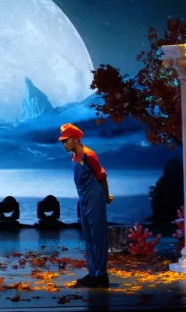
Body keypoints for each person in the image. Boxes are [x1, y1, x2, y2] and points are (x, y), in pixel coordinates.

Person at [59, 123, 113, 288]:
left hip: (94, 196)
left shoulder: (88, 155)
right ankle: (93, 272)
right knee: (88, 235)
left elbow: (101, 176)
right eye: (63, 141)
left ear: (76, 139)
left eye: (66, 140)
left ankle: (101, 275)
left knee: (97, 235)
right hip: (83, 198)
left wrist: (106, 196)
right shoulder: (74, 156)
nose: (64, 144)